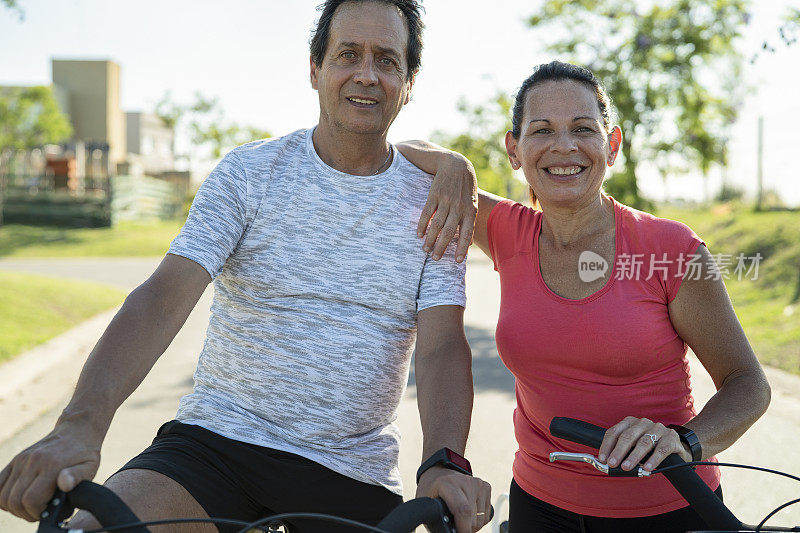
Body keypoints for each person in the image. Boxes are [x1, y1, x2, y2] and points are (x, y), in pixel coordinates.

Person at [0, 2, 491, 532]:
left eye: (387, 60)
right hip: (214, 447)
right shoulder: (249, 173)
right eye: (348, 54)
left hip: (351, 472)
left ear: (409, 80)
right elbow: (164, 297)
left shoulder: (435, 201)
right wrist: (80, 426)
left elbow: (441, 347)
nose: (366, 74)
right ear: (315, 68)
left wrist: (443, 461)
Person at [397, 60, 772, 532]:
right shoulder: (507, 230)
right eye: (541, 130)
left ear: (611, 145)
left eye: (582, 128)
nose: (564, 146)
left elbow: (748, 385)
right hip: (538, 503)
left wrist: (686, 441)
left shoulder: (671, 249)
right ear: (514, 150)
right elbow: (401, 153)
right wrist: (457, 165)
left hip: (668, 506)